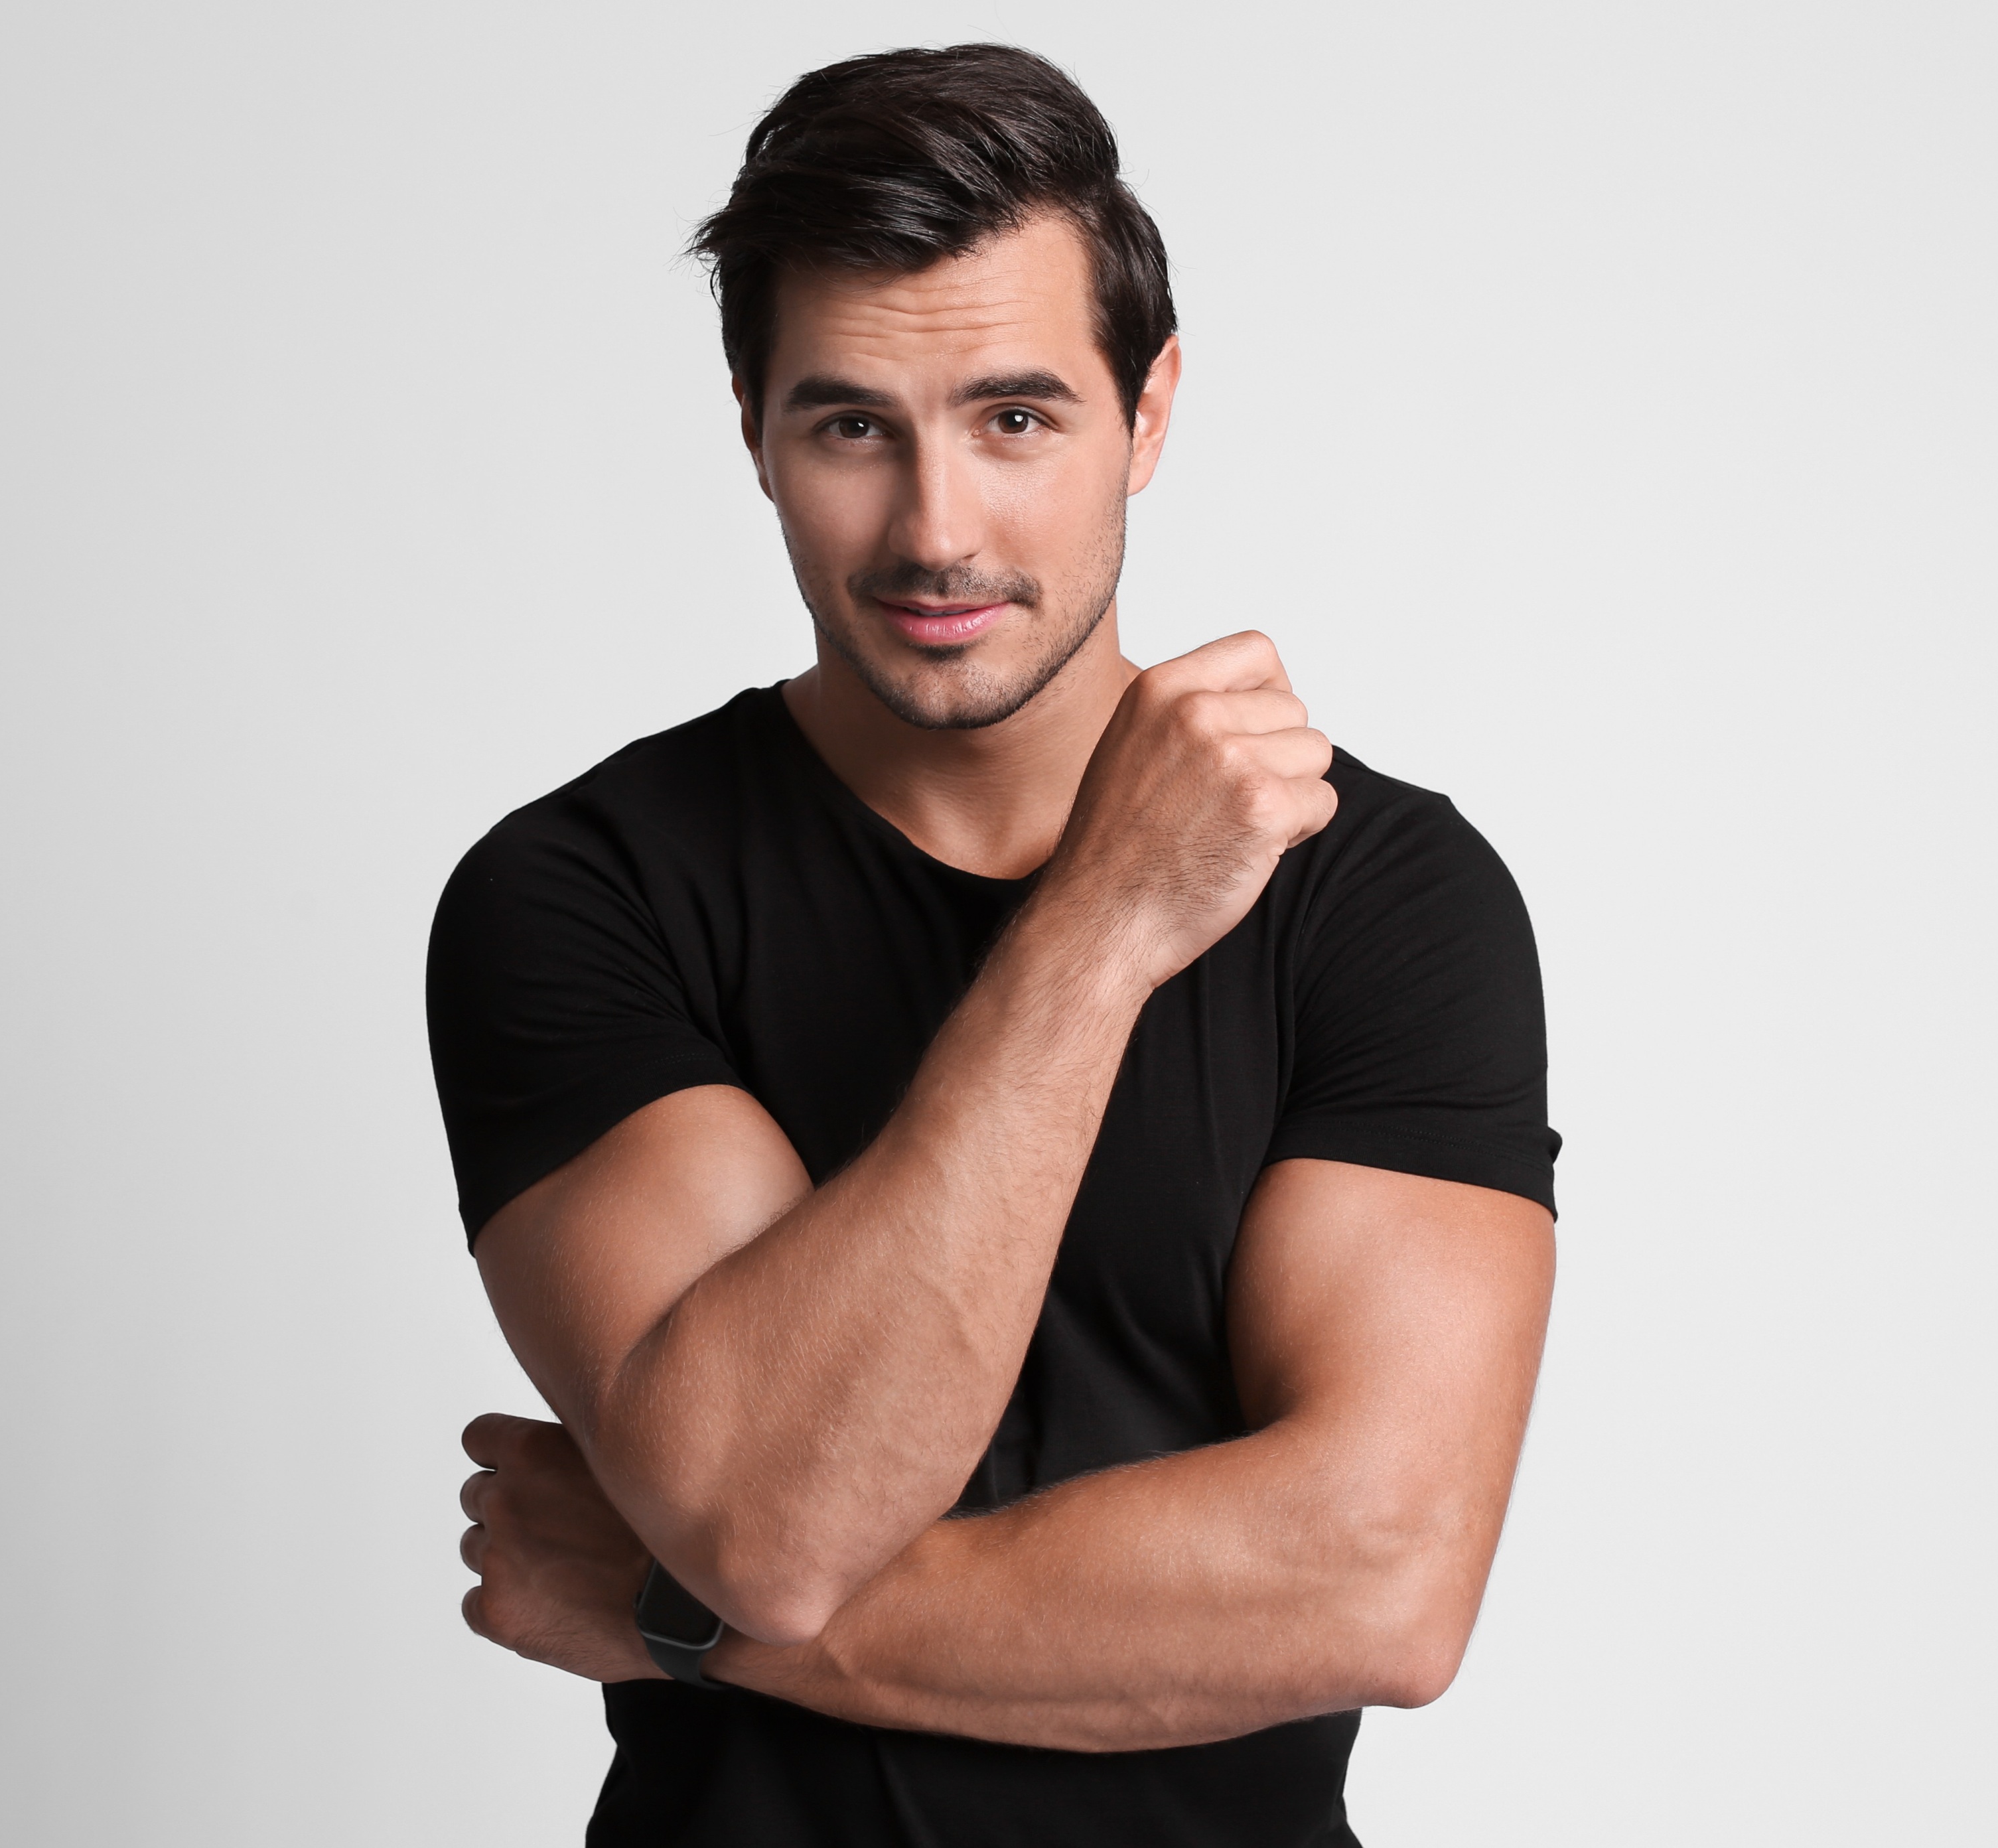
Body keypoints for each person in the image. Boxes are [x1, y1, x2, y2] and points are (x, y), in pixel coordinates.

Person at [426, 42, 1559, 1847]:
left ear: (1152, 409)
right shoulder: (583, 892)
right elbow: (769, 1519)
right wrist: (1098, 927)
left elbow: (1378, 1586)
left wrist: (677, 1619)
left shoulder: (1384, 892)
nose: (935, 529)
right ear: (752, 431)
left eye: (1016, 418)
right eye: (850, 424)